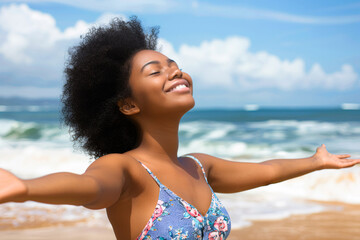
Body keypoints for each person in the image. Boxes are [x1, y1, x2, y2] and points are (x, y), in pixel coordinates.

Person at [0, 17, 359, 240]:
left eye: (174, 65)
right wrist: (25, 188)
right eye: (156, 71)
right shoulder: (126, 169)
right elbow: (88, 188)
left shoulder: (199, 167)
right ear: (128, 105)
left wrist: (315, 162)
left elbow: (266, 171)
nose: (175, 71)